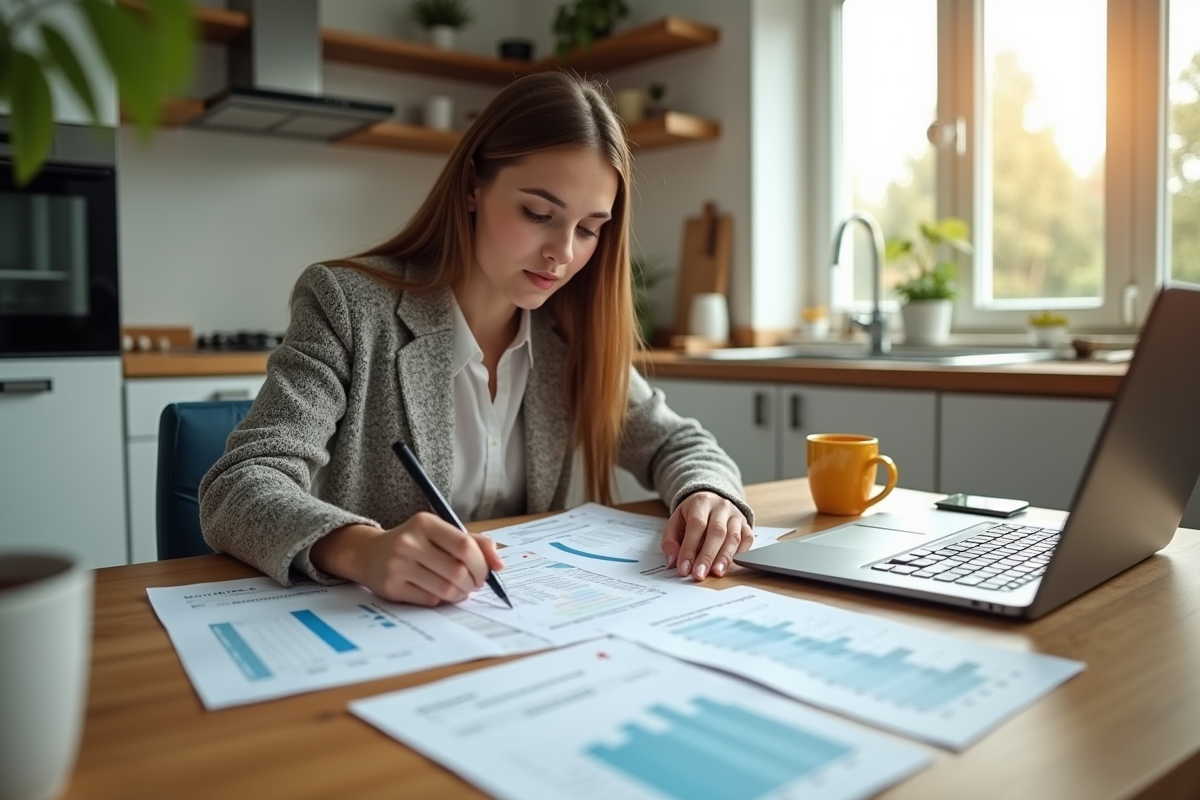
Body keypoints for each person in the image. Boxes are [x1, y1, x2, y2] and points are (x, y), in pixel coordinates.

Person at [199, 71, 755, 607]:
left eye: (588, 229)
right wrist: (362, 549)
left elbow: (674, 443)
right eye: (538, 213)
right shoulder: (346, 305)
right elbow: (239, 486)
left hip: (519, 628)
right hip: (372, 626)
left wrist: (707, 494)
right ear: (472, 187)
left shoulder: (570, 332)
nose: (562, 253)